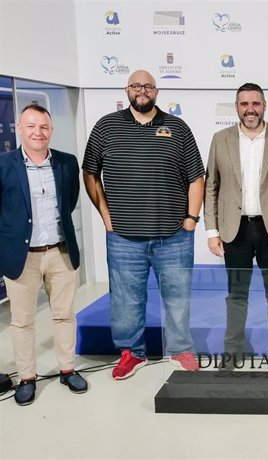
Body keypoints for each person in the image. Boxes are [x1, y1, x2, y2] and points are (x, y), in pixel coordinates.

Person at [83, 70, 205, 379]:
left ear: (156, 91)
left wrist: (191, 218)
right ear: (127, 90)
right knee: (126, 299)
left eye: (148, 86)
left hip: (174, 235)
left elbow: (196, 177)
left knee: (178, 296)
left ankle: (180, 348)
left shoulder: (177, 127)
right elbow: (90, 173)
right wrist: (105, 216)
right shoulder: (105, 127)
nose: (142, 91)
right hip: (124, 237)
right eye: (136, 86)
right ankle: (131, 352)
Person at [204, 82, 268, 371]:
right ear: (236, 107)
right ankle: (232, 352)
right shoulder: (220, 139)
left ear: (264, 106)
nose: (250, 109)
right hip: (235, 231)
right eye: (244, 104)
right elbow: (211, 186)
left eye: (255, 104)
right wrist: (211, 230)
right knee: (236, 294)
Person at [0, 104, 87, 405]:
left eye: (44, 127)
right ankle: (26, 377)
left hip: (61, 253)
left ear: (51, 130)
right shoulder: (4, 164)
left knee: (64, 315)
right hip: (22, 257)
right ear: (20, 129)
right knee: (23, 321)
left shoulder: (66, 163)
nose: (38, 132)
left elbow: (71, 200)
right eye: (31, 126)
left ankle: (67, 369)